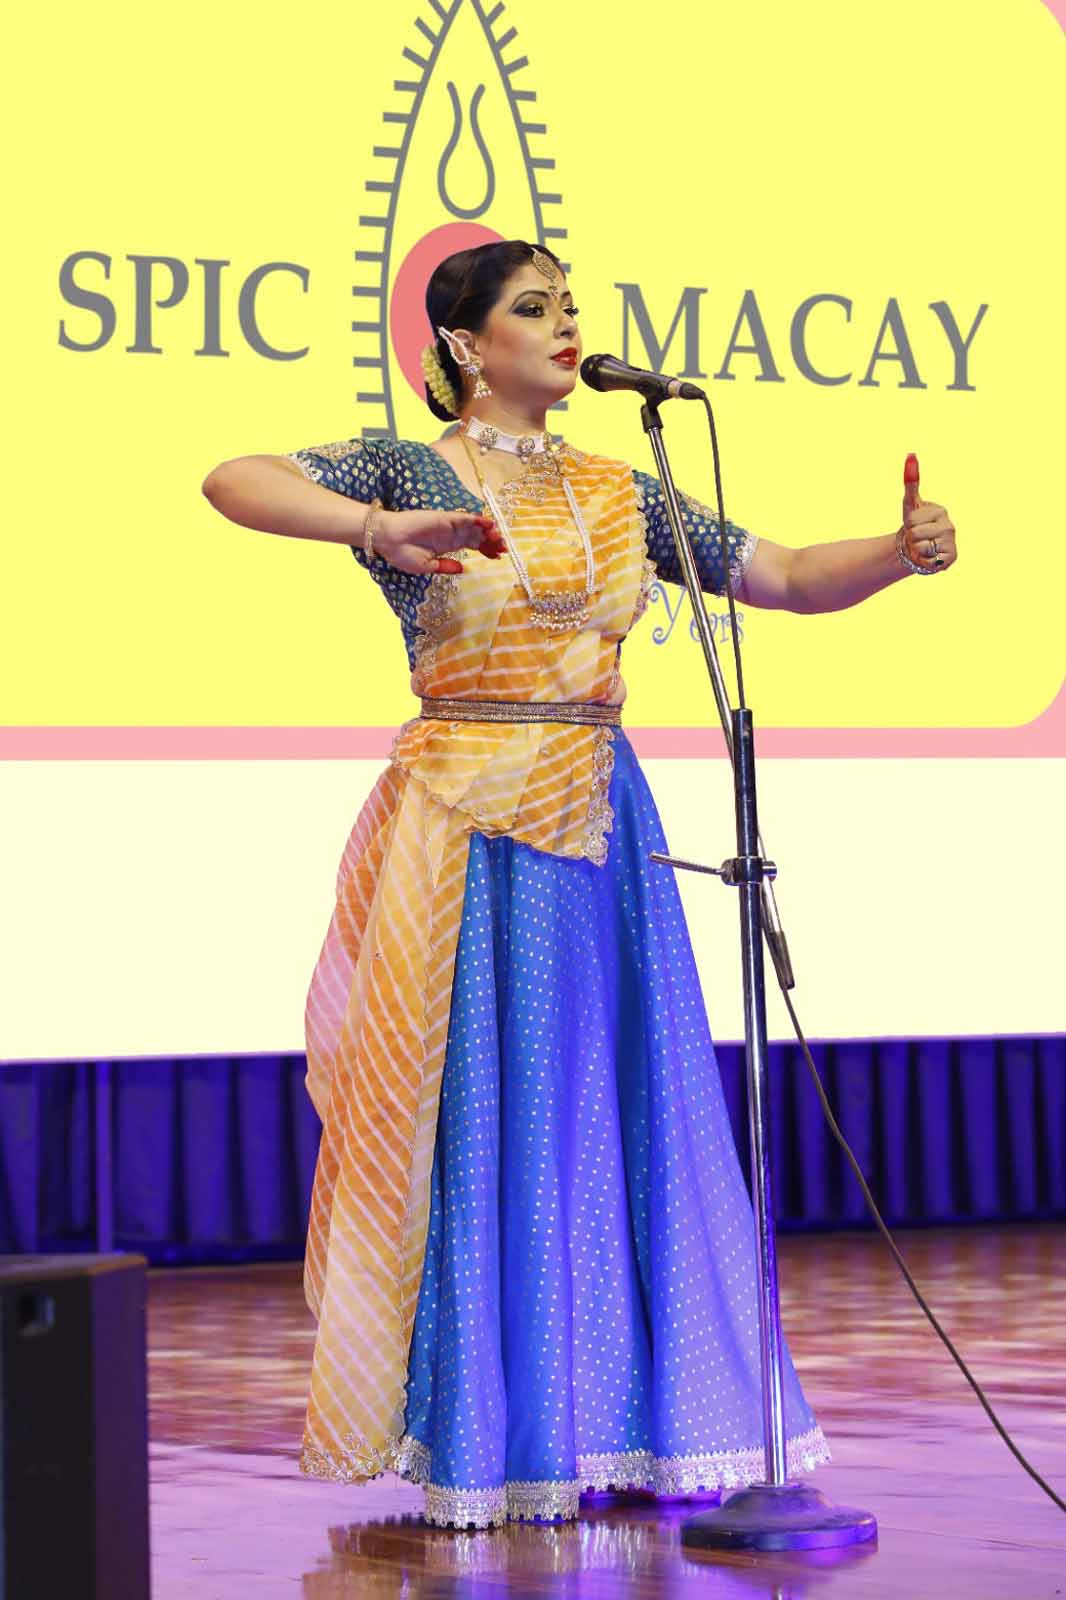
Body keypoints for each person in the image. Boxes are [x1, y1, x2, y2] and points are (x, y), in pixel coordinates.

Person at [202, 239, 957, 1531]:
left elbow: (775, 577)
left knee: (614, 1107)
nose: (565, 328)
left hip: (602, 815)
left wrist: (895, 552)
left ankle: (623, 1422)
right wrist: (376, 527)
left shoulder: (623, 485)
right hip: (467, 823)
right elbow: (234, 477)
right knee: (489, 1117)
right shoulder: (404, 467)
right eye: (532, 309)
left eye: (570, 308)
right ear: (460, 344)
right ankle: (494, 1437)